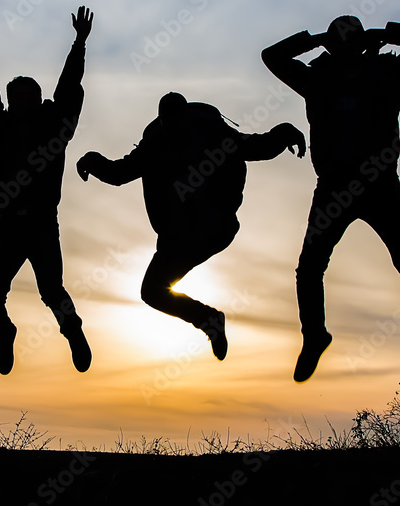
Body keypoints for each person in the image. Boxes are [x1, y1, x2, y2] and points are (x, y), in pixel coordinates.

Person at [262, 15, 400, 382]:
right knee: (314, 267)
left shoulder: (383, 72)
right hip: (338, 186)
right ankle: (315, 336)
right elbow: (271, 56)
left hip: (377, 184)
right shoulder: (322, 77)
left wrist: (380, 34)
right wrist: (328, 39)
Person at [76, 92, 306, 359]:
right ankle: (208, 320)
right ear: (163, 123)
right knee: (151, 292)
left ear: (187, 119)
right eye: (169, 126)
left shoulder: (214, 135)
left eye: (179, 125)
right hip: (178, 235)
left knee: (156, 285)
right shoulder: (154, 145)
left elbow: (255, 146)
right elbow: (119, 173)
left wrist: (285, 133)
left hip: (214, 227)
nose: (175, 131)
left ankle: (208, 318)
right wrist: (92, 161)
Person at [0, 7, 93, 375]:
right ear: (10, 101)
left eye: (28, 96)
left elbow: (69, 88)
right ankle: (5, 334)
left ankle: (73, 331)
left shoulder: (55, 129)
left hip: (40, 224)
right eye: (15, 96)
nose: (20, 102)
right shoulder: (0, 127)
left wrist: (80, 43)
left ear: (38, 100)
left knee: (53, 292)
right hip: (6, 224)